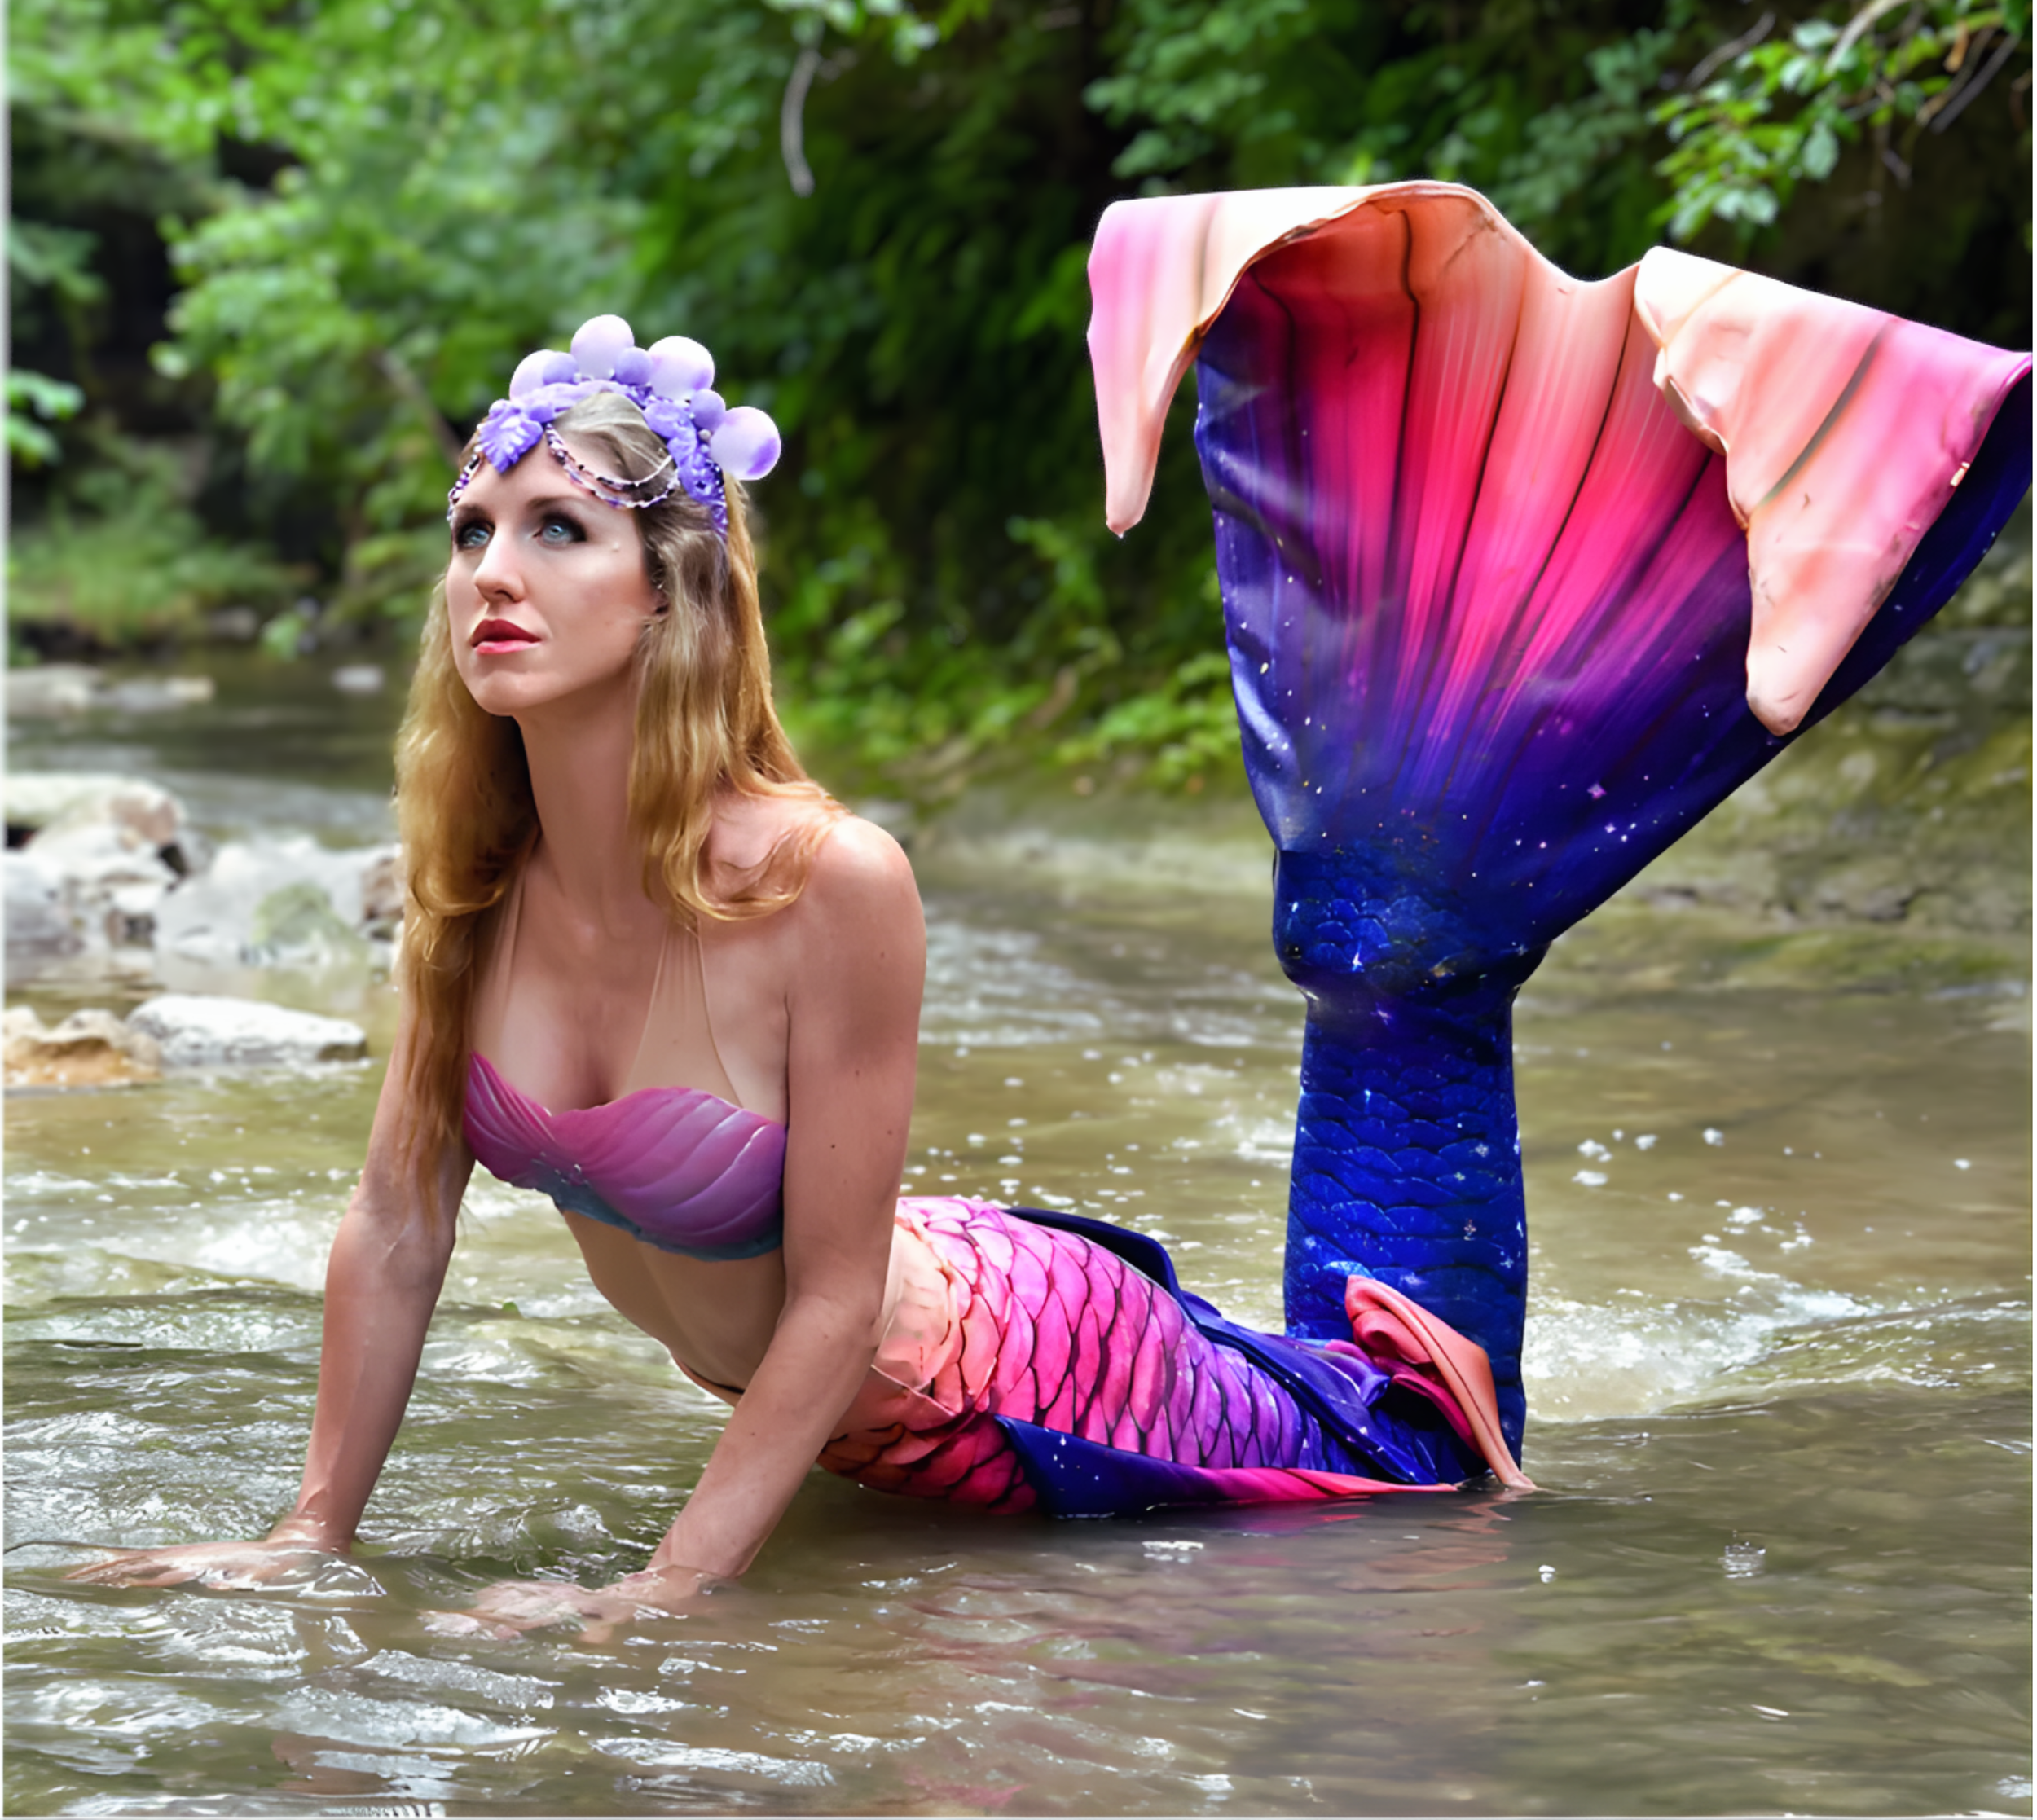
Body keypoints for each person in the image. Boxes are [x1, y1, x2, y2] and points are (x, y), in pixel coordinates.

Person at [68, 318, 1516, 1638]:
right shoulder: (468, 894)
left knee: (1417, 1485)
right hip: (838, 1406)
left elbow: (832, 1302)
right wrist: (309, 1535)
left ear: (668, 596)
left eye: (558, 528)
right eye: (471, 532)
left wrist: (667, 1587)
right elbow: (396, 1223)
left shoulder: (830, 882)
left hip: (1011, 1373)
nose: (489, 575)